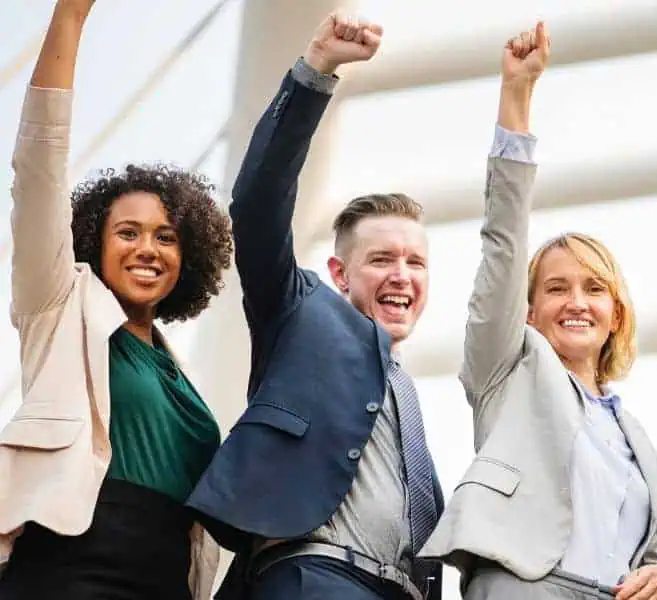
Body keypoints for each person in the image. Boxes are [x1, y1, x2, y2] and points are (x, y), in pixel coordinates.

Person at [186, 10, 443, 600]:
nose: (401, 275)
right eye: (381, 260)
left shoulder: (404, 390)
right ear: (338, 273)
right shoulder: (301, 310)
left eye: (416, 262)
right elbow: (257, 206)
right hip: (315, 577)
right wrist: (316, 72)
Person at [420, 22, 657, 600]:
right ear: (529, 311)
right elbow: (503, 244)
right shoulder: (508, 371)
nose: (576, 302)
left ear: (616, 312)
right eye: (556, 289)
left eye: (593, 288)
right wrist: (518, 96)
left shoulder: (630, 431)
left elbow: (649, 548)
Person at [0, 1, 234, 599]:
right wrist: (71, 19)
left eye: (166, 237)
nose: (147, 250)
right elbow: (38, 172)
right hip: (70, 567)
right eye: (127, 233)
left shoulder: (181, 375)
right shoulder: (59, 307)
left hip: (163, 579)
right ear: (93, 244)